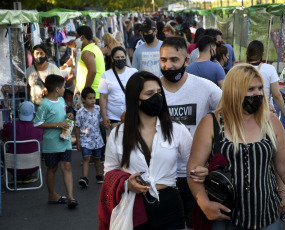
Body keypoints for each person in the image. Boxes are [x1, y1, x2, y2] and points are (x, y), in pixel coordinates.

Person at [187, 64, 285, 230]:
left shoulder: (271, 122)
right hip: (225, 219)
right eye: (251, 89)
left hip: (266, 217)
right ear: (234, 91)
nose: (258, 94)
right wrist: (205, 205)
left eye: (260, 88)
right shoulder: (212, 123)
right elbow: (192, 169)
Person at [103, 71, 193, 229]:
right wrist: (127, 185)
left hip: (170, 204)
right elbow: (109, 173)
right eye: (150, 93)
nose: (157, 98)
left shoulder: (177, 129)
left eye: (159, 93)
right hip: (134, 206)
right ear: (135, 99)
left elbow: (194, 163)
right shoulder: (118, 134)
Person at [160, 36, 222, 230]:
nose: (168, 65)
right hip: (161, 176)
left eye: (174, 60)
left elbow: (230, 115)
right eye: (163, 60)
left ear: (187, 61)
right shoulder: (151, 89)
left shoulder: (206, 88)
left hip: (195, 176)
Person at [33, 74, 78, 208]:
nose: (65, 89)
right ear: (57, 89)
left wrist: (67, 116)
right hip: (51, 143)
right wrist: (57, 125)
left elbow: (62, 116)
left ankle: (71, 197)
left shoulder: (62, 101)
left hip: (65, 140)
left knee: (67, 166)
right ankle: (52, 195)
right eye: (64, 87)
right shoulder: (44, 104)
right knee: (52, 168)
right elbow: (37, 123)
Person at [247, 40, 285, 130]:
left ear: (247, 53)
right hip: (265, 114)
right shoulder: (269, 69)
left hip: (245, 113)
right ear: (262, 54)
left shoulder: (239, 69)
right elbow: (276, 95)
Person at [2, 101, 43, 183]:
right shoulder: (39, 128)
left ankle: (14, 174)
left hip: (12, 166)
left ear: (19, 112)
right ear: (34, 114)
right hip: (33, 166)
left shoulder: (10, 126)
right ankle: (26, 175)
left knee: (3, 145)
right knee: (39, 144)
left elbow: (2, 136)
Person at [98, 46, 138, 129]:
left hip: (131, 115)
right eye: (117, 57)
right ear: (112, 59)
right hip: (113, 117)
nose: (120, 59)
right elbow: (103, 97)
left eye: (122, 57)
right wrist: (104, 116)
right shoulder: (106, 75)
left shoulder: (133, 72)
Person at [75, 87, 104, 187]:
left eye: (94, 98)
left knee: (97, 158)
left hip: (97, 138)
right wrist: (78, 140)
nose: (92, 100)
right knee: (86, 158)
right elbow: (77, 127)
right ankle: (85, 178)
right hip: (85, 139)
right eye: (90, 98)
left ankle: (99, 175)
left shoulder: (98, 109)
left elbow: (101, 122)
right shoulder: (80, 112)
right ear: (83, 99)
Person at [75, 26, 105, 100]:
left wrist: (86, 92)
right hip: (96, 93)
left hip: (91, 96)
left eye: (77, 37)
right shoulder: (95, 48)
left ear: (83, 37)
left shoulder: (87, 52)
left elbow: (92, 71)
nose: (75, 40)